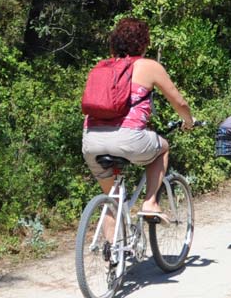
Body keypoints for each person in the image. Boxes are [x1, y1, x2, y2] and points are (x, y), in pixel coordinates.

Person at [81, 18, 196, 218]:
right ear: (143, 44)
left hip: (91, 140)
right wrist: (189, 121)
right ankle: (150, 203)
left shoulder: (101, 67)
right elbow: (180, 103)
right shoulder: (148, 66)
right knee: (162, 148)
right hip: (129, 139)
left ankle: (112, 247)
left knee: (113, 200)